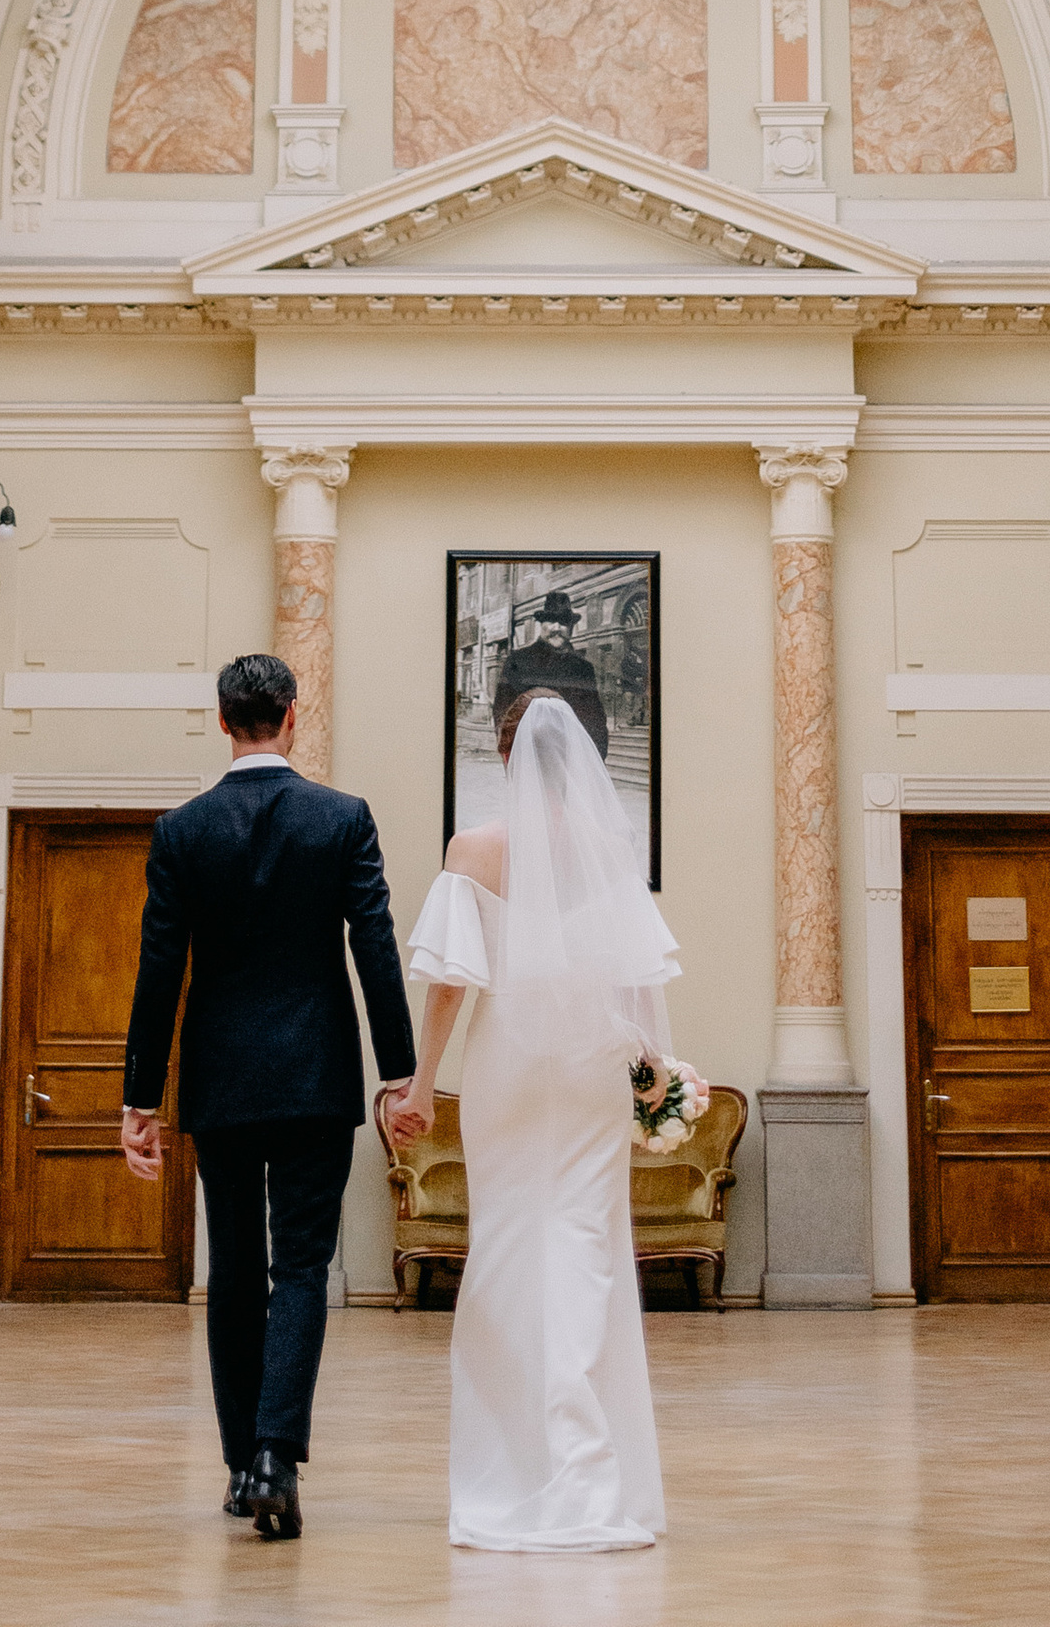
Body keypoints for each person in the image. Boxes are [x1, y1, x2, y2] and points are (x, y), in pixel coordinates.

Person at [121, 652, 418, 1545]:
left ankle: (238, 1462)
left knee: (236, 1271)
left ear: (223, 722)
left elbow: (158, 972)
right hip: (316, 1079)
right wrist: (399, 1073)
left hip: (220, 1084)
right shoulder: (342, 819)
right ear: (293, 714)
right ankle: (275, 1457)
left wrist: (140, 1098)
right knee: (300, 1270)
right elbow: (375, 947)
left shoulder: (182, 830)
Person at [386, 658, 677, 1552]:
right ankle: (590, 1472)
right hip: (590, 1069)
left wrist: (421, 1084)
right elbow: (635, 983)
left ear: (506, 758)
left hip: (509, 1068)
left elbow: (449, 985)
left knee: (510, 1248)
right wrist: (654, 1074)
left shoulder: (472, 850)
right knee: (587, 1247)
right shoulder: (610, 853)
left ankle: (515, 1470)